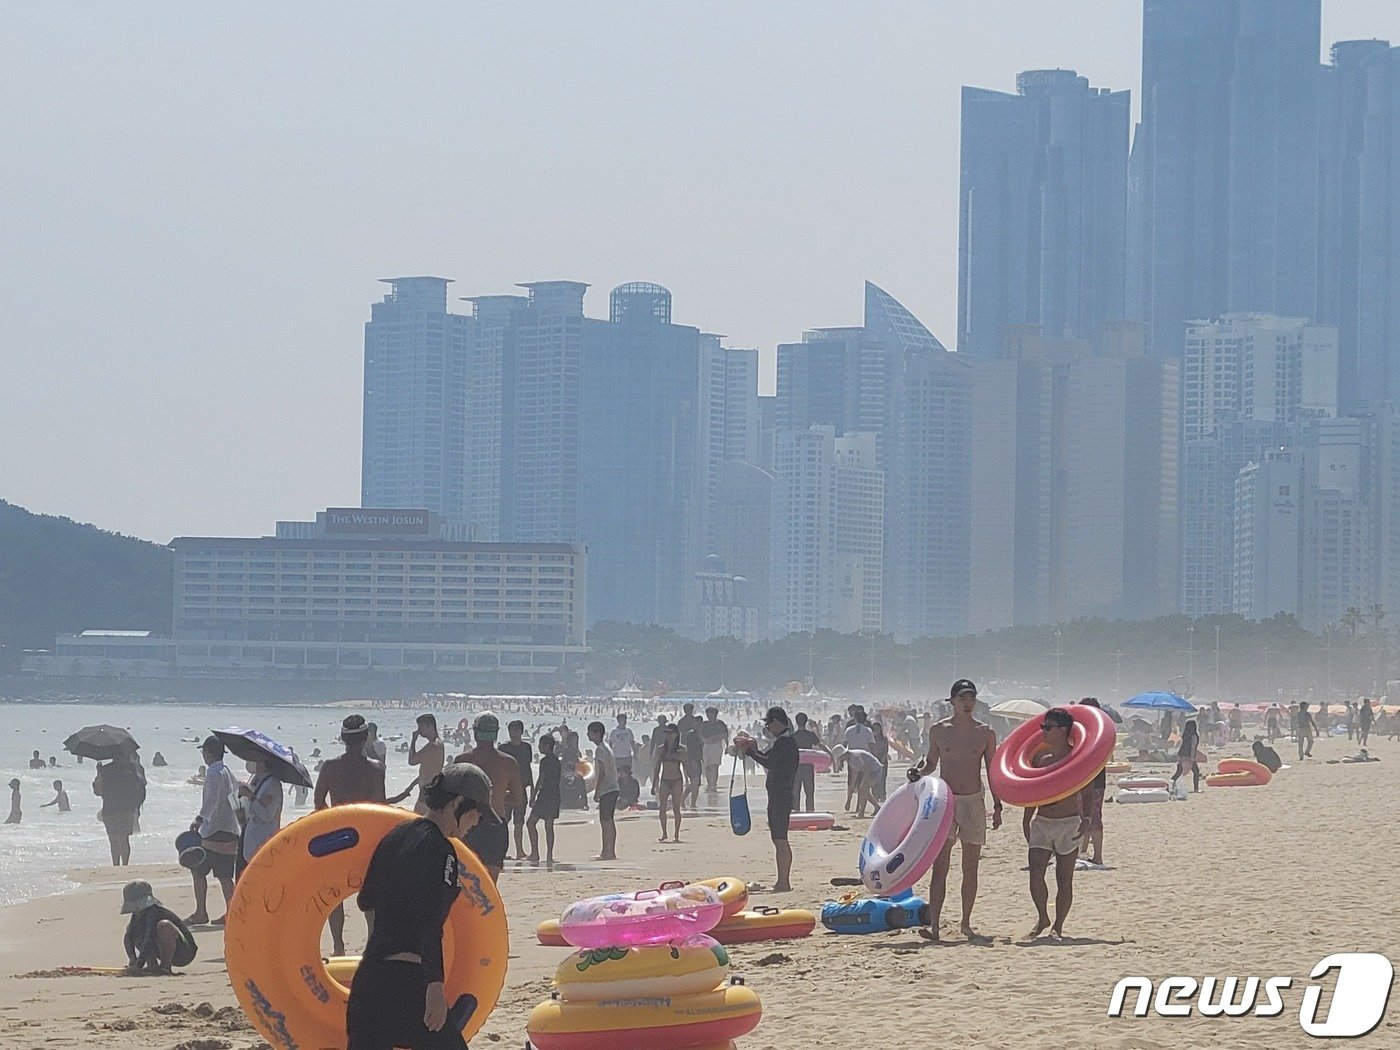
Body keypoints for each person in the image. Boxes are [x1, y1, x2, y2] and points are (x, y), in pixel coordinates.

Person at [346, 763, 502, 1050]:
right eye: (476, 812)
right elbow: (430, 923)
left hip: (369, 981)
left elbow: (366, 900)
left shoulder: (395, 836)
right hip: (407, 986)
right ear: (457, 803)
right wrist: (434, 987)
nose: (477, 821)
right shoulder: (441, 850)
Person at [907, 679, 1002, 941]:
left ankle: (966, 923)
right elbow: (931, 763)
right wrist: (919, 773)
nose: (967, 703)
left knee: (970, 866)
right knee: (941, 865)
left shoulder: (985, 733)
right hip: (945, 802)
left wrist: (997, 804)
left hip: (973, 800)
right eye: (962, 699)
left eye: (971, 698)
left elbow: (991, 770)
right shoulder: (939, 730)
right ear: (952, 702)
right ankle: (935, 925)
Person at [315, 714, 388, 954]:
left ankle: (338, 945)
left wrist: (333, 820)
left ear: (343, 738)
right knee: (371, 894)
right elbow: (380, 805)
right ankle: (372, 943)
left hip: (337, 837)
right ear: (366, 737)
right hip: (367, 837)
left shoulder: (329, 766)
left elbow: (318, 803)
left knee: (335, 892)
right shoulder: (376, 769)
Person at [1022, 708, 1091, 939]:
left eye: (1047, 727)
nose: (1043, 731)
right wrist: (1026, 818)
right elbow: (1034, 789)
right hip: (1042, 821)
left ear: (1062, 730)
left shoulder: (1077, 758)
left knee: (1064, 878)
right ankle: (1042, 916)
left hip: (1069, 822)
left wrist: (1087, 819)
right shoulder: (1042, 759)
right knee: (1035, 874)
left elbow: (1087, 791)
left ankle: (1058, 926)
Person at [453, 713, 524, 883]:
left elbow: (452, 797)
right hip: (496, 823)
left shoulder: (463, 760)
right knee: (490, 884)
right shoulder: (509, 762)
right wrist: (498, 797)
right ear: (496, 733)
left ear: (475, 733)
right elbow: (518, 799)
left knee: (465, 881)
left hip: (467, 824)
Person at [736, 706, 799, 892]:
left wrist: (750, 753)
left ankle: (783, 882)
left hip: (781, 795)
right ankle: (782, 880)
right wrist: (753, 749)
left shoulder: (785, 742)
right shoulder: (782, 741)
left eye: (769, 724)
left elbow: (769, 762)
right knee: (778, 837)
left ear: (777, 722)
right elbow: (767, 756)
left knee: (780, 838)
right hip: (779, 794)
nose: (768, 728)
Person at [187, 736, 240, 926]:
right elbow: (236, 794)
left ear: (208, 752)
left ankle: (201, 912)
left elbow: (212, 799)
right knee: (225, 876)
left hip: (214, 830)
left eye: (204, 751)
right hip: (230, 828)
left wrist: (200, 819)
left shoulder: (214, 773)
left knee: (197, 869)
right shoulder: (227, 771)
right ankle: (232, 912)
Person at [120, 880, 197, 976]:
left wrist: (139, 965)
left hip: (184, 952)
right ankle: (153, 966)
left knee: (164, 926)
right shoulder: (137, 916)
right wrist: (133, 960)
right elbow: (129, 936)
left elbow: (149, 936)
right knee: (133, 930)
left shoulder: (154, 912)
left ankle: (165, 967)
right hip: (158, 947)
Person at [93, 750, 145, 865]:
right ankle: (125, 864)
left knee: (113, 839)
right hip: (127, 809)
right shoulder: (132, 771)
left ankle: (115, 864)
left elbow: (97, 791)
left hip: (110, 809)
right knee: (124, 838)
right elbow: (139, 788)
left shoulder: (105, 770)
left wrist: (98, 773)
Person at [1076, 699, 1108, 867]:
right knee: (1086, 815)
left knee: (1092, 816)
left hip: (1092, 779)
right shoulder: (1100, 730)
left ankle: (1097, 856)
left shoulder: (1095, 731)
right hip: (1092, 778)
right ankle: (1084, 851)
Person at [238, 758, 284, 870]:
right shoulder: (259, 781)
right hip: (252, 842)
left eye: (257, 761)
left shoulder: (272, 784)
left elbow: (267, 816)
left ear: (262, 763)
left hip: (262, 844)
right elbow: (255, 809)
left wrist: (251, 796)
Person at [499, 720, 534, 860]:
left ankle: (519, 851)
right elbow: (499, 769)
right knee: (503, 821)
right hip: (506, 789)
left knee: (519, 821)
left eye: (515, 730)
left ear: (520, 731)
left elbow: (527, 768)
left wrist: (532, 788)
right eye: (510, 730)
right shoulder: (503, 748)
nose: (512, 733)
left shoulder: (526, 748)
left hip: (521, 788)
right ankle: (502, 852)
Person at [526, 734, 561, 865]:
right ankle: (549, 855)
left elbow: (541, 779)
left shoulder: (545, 761)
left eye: (541, 744)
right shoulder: (557, 761)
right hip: (555, 795)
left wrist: (533, 795)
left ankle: (535, 853)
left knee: (530, 823)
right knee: (549, 826)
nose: (538, 747)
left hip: (545, 795)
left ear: (547, 746)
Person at [587, 721, 619, 861]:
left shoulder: (600, 749)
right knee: (608, 821)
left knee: (605, 821)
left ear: (597, 733)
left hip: (608, 788)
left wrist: (597, 791)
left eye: (590, 732)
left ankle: (607, 852)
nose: (588, 734)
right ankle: (609, 851)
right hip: (613, 787)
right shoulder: (606, 747)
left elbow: (602, 773)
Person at [403, 714, 446, 815]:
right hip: (430, 790)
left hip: (427, 792)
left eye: (420, 727)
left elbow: (412, 761)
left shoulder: (433, 746)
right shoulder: (439, 744)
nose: (419, 730)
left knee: (417, 821)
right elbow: (429, 770)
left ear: (429, 725)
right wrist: (412, 785)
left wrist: (413, 740)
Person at [652, 723, 688, 842]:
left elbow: (685, 766)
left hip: (677, 780)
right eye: (667, 733)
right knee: (662, 808)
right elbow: (657, 767)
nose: (668, 735)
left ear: (676, 734)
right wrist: (654, 784)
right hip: (664, 780)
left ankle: (677, 834)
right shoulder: (661, 749)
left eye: (670, 733)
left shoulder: (681, 749)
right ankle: (664, 833)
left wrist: (688, 780)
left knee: (676, 808)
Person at [791, 713, 830, 813]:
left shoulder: (792, 736)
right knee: (809, 790)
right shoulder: (810, 735)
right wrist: (829, 754)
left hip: (796, 767)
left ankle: (796, 809)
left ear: (796, 721)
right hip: (808, 766)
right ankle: (810, 809)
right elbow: (820, 745)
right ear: (806, 721)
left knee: (795, 790)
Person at [835, 747, 881, 818]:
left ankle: (861, 813)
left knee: (863, 790)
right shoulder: (850, 758)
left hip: (874, 770)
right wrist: (849, 799)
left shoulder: (854, 758)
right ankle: (877, 807)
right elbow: (854, 776)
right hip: (871, 770)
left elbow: (866, 767)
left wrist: (866, 778)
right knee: (863, 790)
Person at [677, 704, 705, 809]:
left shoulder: (699, 733)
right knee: (695, 781)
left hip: (697, 759)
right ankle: (686, 801)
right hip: (691, 758)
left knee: (696, 782)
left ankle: (690, 802)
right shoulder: (691, 734)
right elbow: (685, 745)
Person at [699, 707, 730, 797]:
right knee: (707, 766)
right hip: (707, 746)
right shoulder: (704, 724)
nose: (710, 715)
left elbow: (725, 735)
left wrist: (727, 747)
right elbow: (700, 735)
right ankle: (709, 784)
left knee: (715, 766)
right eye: (708, 714)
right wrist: (703, 743)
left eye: (711, 713)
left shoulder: (720, 724)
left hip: (717, 745)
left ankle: (714, 784)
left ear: (715, 714)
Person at [1171, 718, 1202, 793]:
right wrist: (1192, 758)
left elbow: (1182, 746)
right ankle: (1196, 789)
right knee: (1196, 772)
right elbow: (1193, 747)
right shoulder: (1194, 736)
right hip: (1188, 756)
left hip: (1181, 755)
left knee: (1178, 772)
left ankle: (1171, 785)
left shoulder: (1185, 735)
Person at [869, 720, 890, 803]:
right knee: (874, 778)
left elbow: (886, 750)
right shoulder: (871, 739)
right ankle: (875, 795)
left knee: (883, 778)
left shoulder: (884, 739)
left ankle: (883, 794)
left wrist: (883, 758)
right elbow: (870, 748)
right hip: (873, 759)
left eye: (877, 728)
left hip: (883, 759)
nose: (876, 730)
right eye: (874, 729)